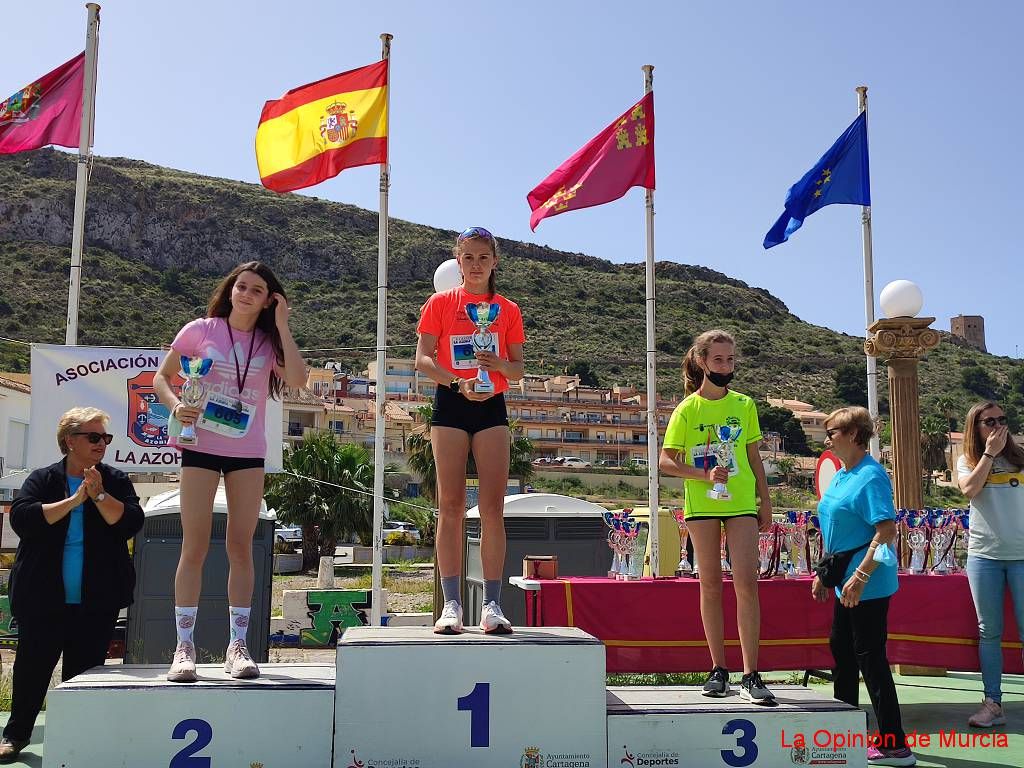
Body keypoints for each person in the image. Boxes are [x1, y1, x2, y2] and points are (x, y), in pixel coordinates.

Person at [154, 261, 306, 682]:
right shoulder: (200, 330)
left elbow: (296, 379)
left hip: (247, 452)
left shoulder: (267, 342)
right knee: (195, 546)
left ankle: (237, 645)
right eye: (241, 286)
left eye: (257, 290)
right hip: (200, 444)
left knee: (240, 546)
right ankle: (184, 647)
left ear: (268, 299)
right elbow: (162, 378)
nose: (246, 294)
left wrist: (283, 324)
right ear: (230, 289)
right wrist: (175, 405)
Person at [0, 408, 144, 762]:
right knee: (32, 670)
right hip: (42, 599)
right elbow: (23, 518)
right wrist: (74, 500)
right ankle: (16, 736)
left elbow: (129, 522)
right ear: (70, 441)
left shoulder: (114, 480)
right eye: (93, 437)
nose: (101, 444)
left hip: (96, 601)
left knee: (84, 676)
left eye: (105, 438)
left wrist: (97, 495)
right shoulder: (43, 479)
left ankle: (79, 737)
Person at [415, 227, 525, 634]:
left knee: (494, 509)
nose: (476, 265)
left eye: (483, 258)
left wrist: (495, 365)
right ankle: (452, 605)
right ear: (457, 261)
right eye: (468, 258)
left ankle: (493, 604)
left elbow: (517, 369)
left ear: (495, 261)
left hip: (491, 406)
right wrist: (454, 380)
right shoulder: (440, 303)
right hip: (451, 404)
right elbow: (422, 359)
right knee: (451, 506)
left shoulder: (508, 310)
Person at [658, 329, 776, 705]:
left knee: (746, 584)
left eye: (731, 359)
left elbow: (754, 457)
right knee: (709, 584)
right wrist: (702, 474)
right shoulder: (687, 409)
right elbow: (666, 462)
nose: (726, 366)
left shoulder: (744, 405)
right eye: (719, 359)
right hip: (703, 505)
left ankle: (751, 673)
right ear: (703, 362)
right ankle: (717, 669)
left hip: (740, 503)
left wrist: (765, 501)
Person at [812, 407, 915, 767]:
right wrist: (827, 574)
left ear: (855, 434)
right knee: (842, 651)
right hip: (844, 581)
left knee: (869, 658)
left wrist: (860, 576)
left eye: (833, 431)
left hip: (865, 585)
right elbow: (836, 527)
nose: (828, 438)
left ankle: (894, 745)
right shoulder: (842, 474)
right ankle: (846, 731)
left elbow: (886, 531)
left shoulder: (871, 477)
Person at [957, 401, 1024, 728]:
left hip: (1022, 557)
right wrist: (989, 455)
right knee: (989, 632)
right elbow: (969, 490)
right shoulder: (966, 461)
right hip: (984, 557)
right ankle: (993, 703)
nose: (997, 425)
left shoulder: (1021, 459)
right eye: (989, 421)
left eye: (1002, 419)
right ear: (976, 427)